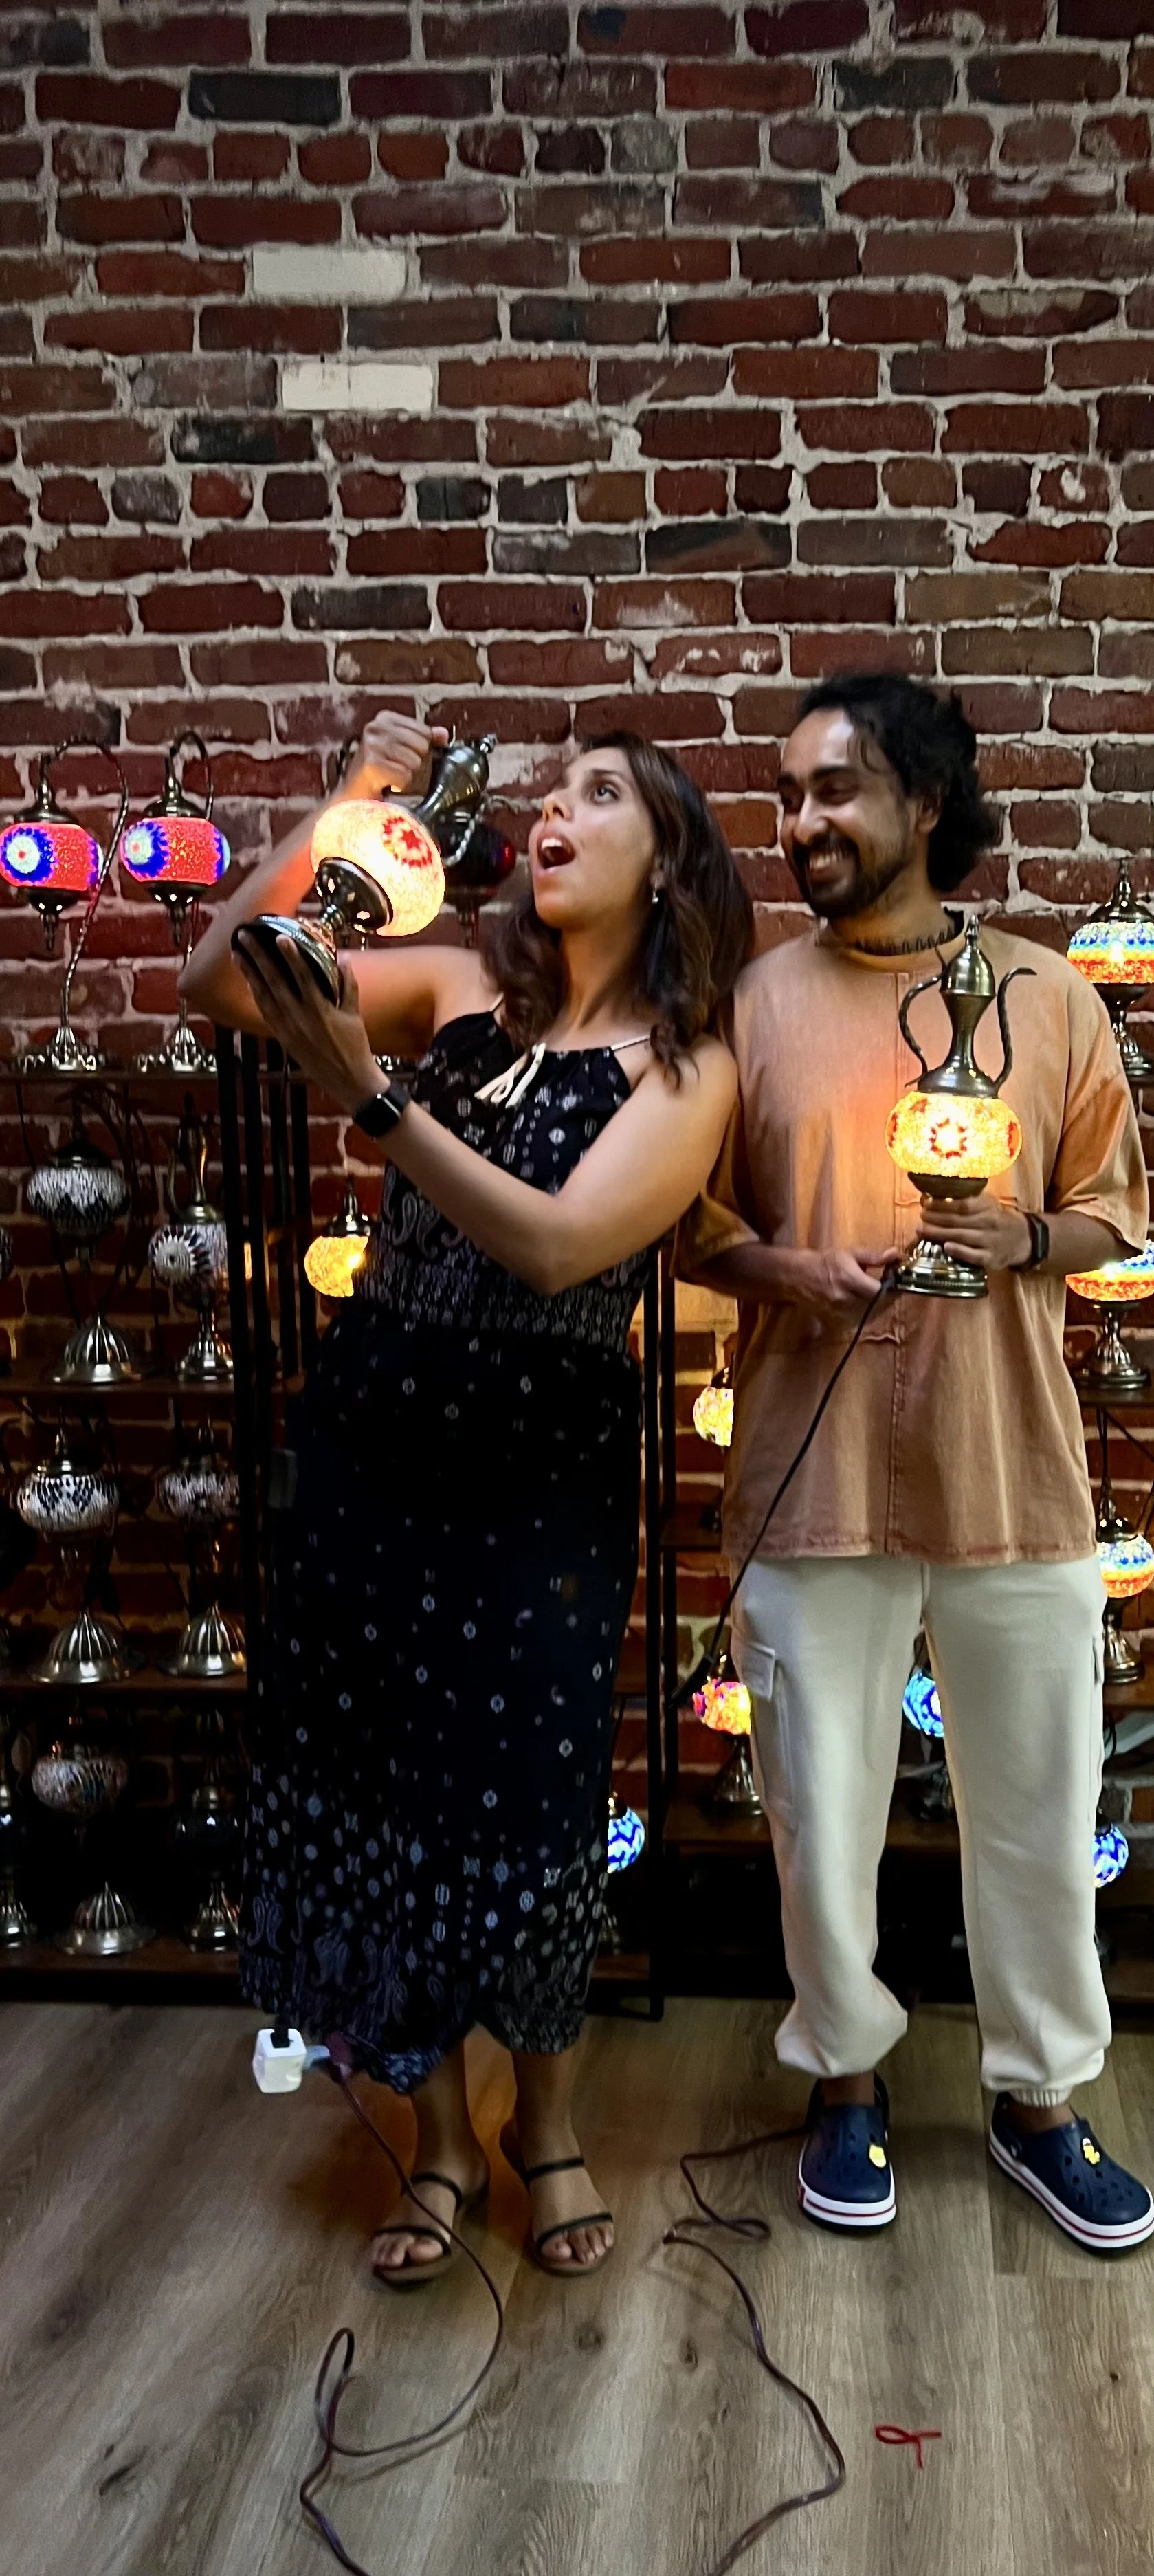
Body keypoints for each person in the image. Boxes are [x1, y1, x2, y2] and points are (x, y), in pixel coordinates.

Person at [182, 711, 748, 2282]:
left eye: (601, 796)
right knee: (375, 1786)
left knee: (529, 1801)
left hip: (535, 1469)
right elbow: (218, 975)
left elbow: (564, 1246)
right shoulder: (455, 988)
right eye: (549, 791)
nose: (553, 810)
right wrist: (350, 798)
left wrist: (373, 1103)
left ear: (671, 858)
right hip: (376, 1436)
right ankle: (436, 2142)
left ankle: (544, 2129)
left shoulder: (686, 1062)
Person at [681, 674, 1154, 2252]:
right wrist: (781, 1274)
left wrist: (1028, 1235)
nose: (800, 821)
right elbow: (691, 1219)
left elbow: (1115, 1213)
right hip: (812, 1470)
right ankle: (846, 2084)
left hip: (1011, 1463)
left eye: (835, 790)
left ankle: (1039, 2099)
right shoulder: (752, 1005)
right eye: (790, 793)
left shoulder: (1051, 997)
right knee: (820, 1802)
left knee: (1039, 1792)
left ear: (928, 805)